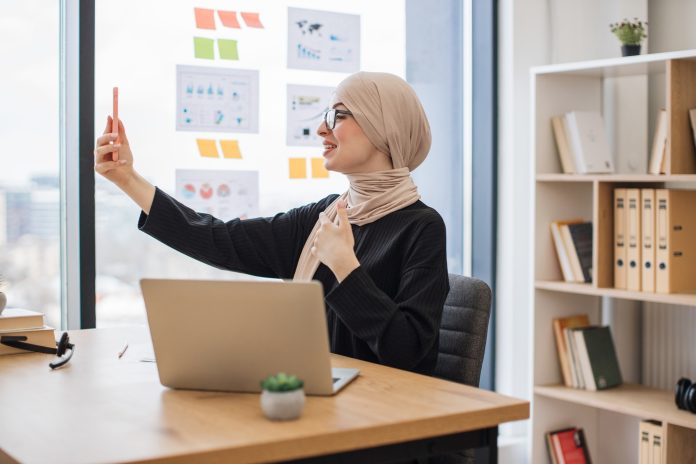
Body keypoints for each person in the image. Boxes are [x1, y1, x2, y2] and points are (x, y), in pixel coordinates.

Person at [94, 72, 449, 375]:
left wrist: (344, 266)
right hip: (316, 401)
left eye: (337, 116)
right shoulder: (323, 217)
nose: (320, 130)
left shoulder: (422, 228)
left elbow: (407, 350)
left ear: (381, 126)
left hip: (385, 420)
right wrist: (128, 179)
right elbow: (218, 238)